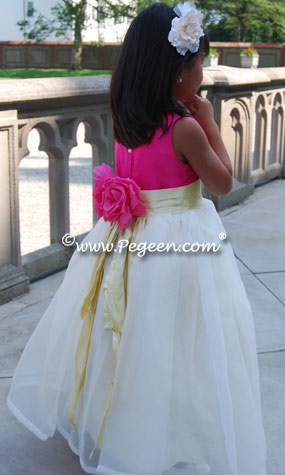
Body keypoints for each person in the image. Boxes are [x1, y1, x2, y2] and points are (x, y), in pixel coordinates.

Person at [7, 2, 267, 475]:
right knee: (182, 337)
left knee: (131, 336)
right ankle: (167, 431)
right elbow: (224, 182)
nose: (202, 74)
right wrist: (208, 118)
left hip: (125, 240)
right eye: (198, 64)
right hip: (180, 247)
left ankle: (124, 422)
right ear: (176, 73)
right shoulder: (186, 127)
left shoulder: (127, 118)